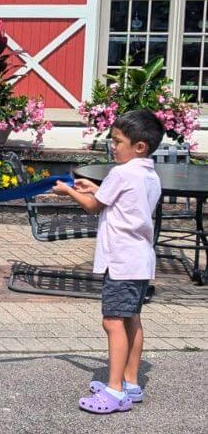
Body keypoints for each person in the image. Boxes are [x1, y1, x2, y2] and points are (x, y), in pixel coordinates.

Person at [53, 109, 163, 414]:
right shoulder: (148, 174)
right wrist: (97, 188)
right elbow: (125, 203)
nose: (113, 146)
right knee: (132, 320)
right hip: (140, 261)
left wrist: (67, 191)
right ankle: (131, 384)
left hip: (121, 261)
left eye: (118, 141)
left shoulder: (121, 173)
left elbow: (91, 207)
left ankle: (114, 392)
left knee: (112, 321)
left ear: (139, 146)